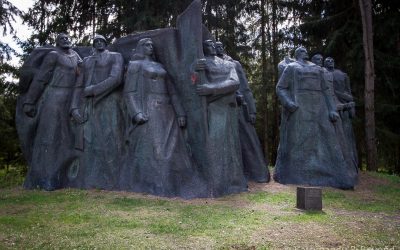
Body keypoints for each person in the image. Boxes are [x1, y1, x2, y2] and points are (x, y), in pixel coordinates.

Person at [121, 38, 205, 198]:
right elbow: (129, 92)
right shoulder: (135, 65)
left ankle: (175, 184)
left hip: (167, 109)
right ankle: (155, 184)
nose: (150, 47)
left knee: (175, 148)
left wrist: (180, 112)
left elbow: (172, 91)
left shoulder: (160, 66)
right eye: (146, 44)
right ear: (140, 47)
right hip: (149, 108)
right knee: (157, 150)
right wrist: (136, 112)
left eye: (152, 44)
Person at [275, 47, 357, 189]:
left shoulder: (318, 69)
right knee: (298, 141)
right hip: (299, 108)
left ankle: (335, 176)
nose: (305, 52)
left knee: (328, 140)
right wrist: (288, 103)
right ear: (297, 54)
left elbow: (326, 90)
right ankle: (292, 174)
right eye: (301, 51)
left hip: (320, 109)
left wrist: (331, 109)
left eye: (305, 50)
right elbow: (280, 88)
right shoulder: (291, 67)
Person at [22, 33, 82, 190]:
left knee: (67, 137)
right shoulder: (53, 55)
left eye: (68, 38)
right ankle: (43, 178)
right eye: (62, 38)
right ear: (57, 42)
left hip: (71, 97)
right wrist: (30, 101)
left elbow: (85, 70)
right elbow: (41, 78)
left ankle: (63, 175)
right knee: (50, 136)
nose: (66, 40)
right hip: (54, 97)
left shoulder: (75, 55)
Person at [70, 34, 125, 189]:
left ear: (106, 43)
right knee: (90, 140)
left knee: (112, 138)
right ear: (93, 45)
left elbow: (116, 79)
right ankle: (92, 179)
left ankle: (114, 178)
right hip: (89, 105)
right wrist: (74, 107)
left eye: (102, 40)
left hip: (109, 101)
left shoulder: (115, 56)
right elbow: (79, 85)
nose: (99, 43)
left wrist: (94, 89)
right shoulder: (87, 61)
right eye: (96, 41)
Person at [194, 40, 247, 196]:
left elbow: (235, 82)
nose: (210, 46)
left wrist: (213, 88)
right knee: (215, 145)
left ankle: (234, 182)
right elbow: (193, 83)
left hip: (228, 107)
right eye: (207, 44)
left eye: (212, 44)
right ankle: (216, 184)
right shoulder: (202, 63)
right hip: (213, 108)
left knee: (231, 146)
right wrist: (195, 71)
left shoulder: (228, 64)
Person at [215, 41, 270, 183]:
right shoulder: (211, 63)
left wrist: (251, 110)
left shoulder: (234, 63)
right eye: (216, 46)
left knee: (248, 140)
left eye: (221, 45)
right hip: (220, 106)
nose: (218, 47)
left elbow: (245, 88)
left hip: (239, 107)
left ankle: (257, 174)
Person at [324, 57, 358, 172]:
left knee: (347, 137)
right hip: (332, 111)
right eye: (327, 61)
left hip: (344, 109)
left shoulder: (342, 75)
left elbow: (348, 92)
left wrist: (350, 106)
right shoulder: (322, 74)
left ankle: (351, 165)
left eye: (331, 60)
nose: (330, 62)